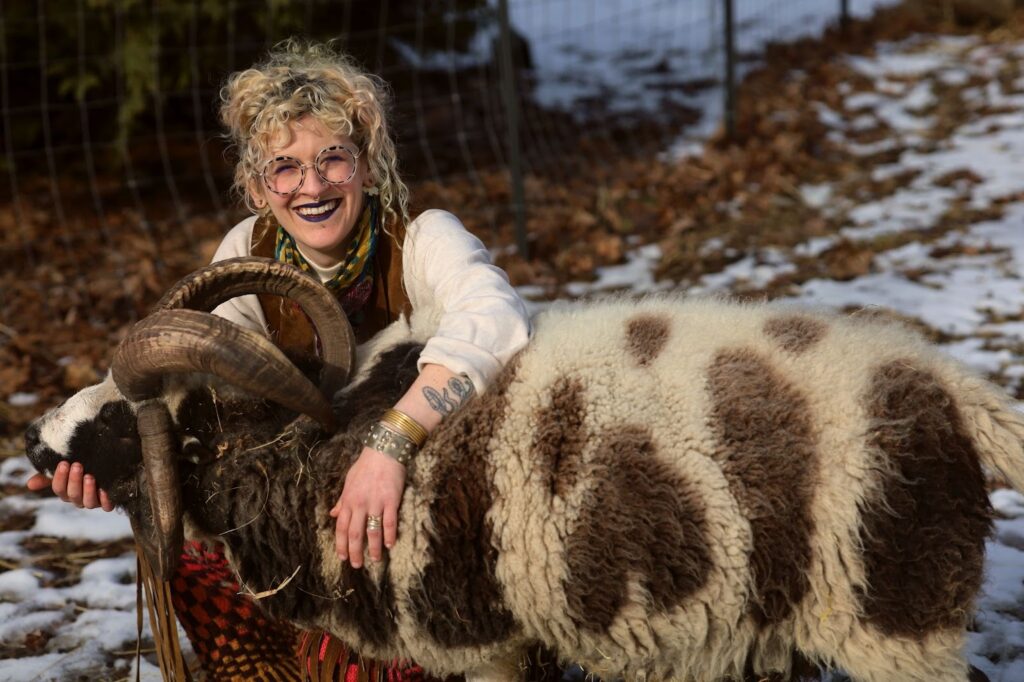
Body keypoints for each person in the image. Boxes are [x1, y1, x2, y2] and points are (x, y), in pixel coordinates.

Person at [28, 39, 531, 681]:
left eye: (333, 161)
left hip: (424, 505)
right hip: (311, 511)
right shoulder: (245, 257)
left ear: (369, 166)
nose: (312, 186)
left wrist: (390, 443)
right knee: (196, 553)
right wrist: (108, 466)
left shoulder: (425, 238)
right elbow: (194, 394)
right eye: (285, 168)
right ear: (258, 186)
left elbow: (496, 318)